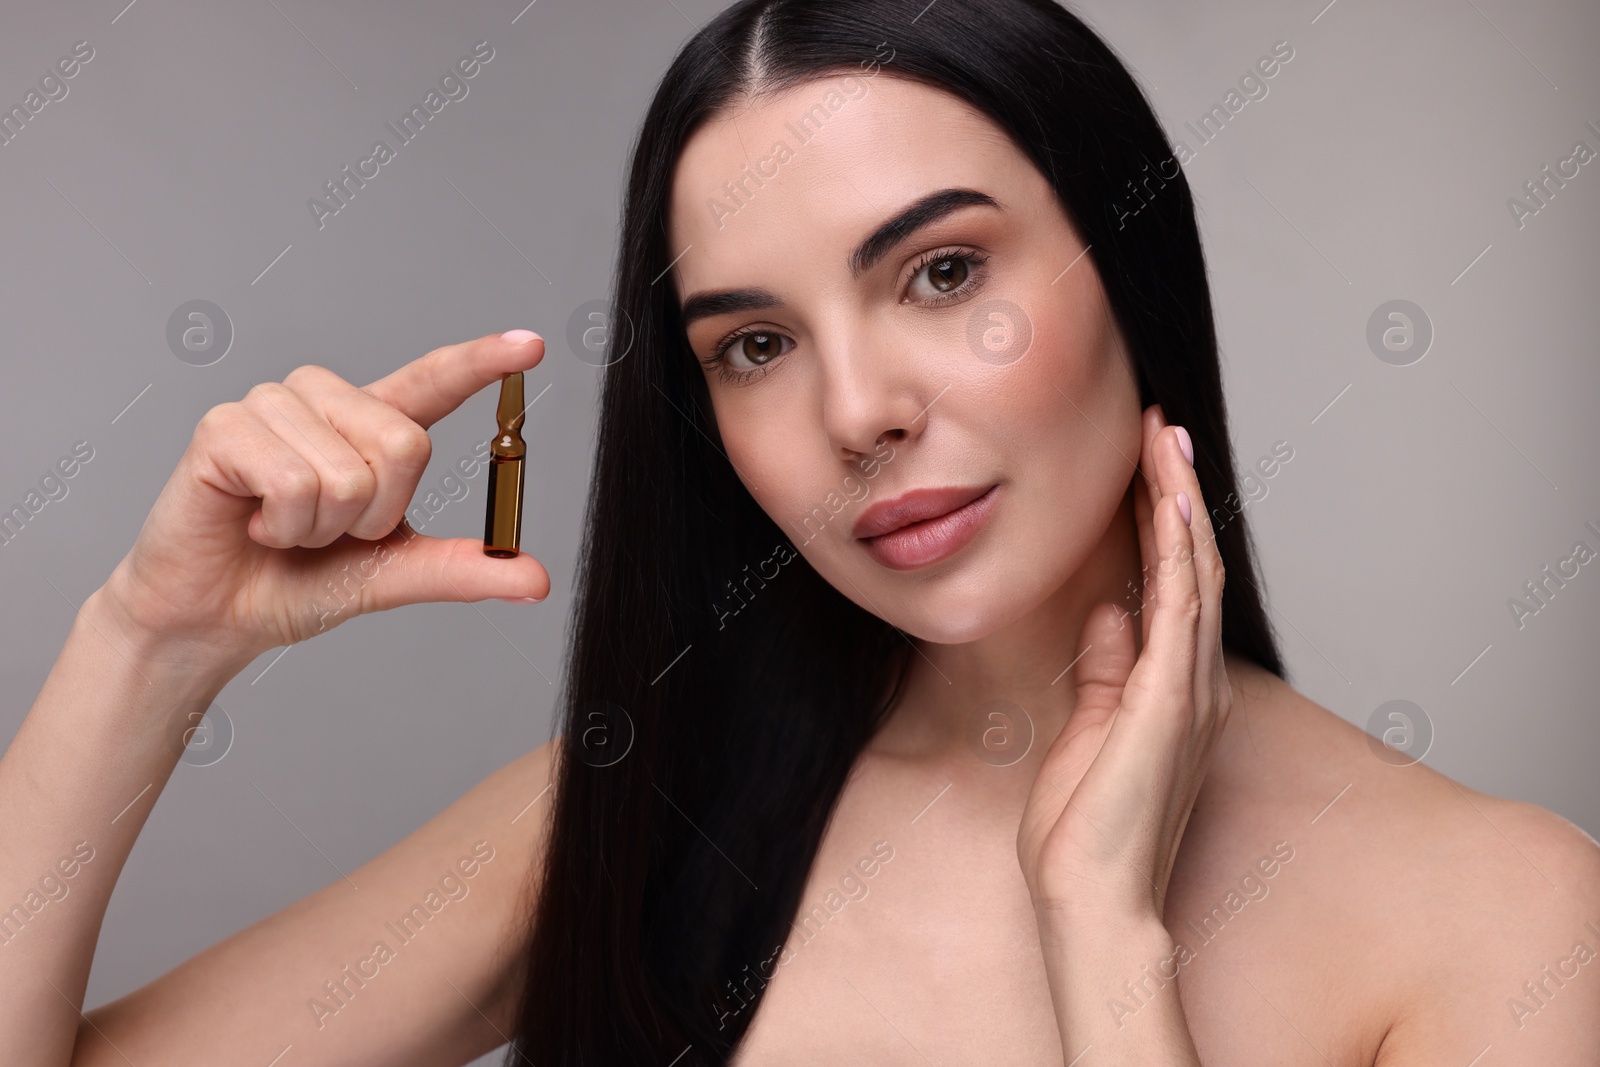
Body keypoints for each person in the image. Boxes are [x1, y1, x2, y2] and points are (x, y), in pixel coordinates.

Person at [4, 0, 1597, 1063]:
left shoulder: (1506, 918)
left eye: (942, 272)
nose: (858, 411)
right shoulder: (637, 815)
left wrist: (1106, 944)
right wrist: (148, 641)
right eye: (754, 344)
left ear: (1134, 267)